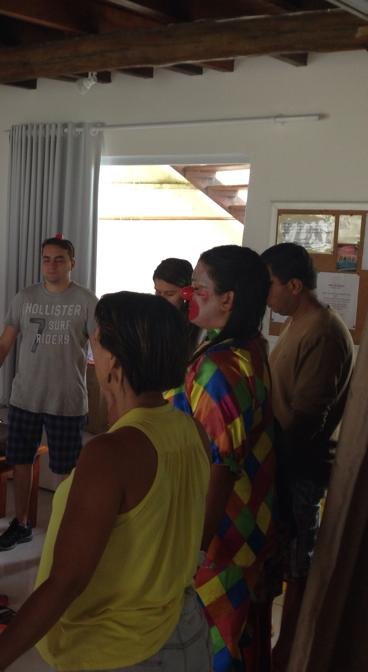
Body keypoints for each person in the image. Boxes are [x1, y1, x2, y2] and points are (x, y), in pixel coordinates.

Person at [0, 292, 211, 671]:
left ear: (115, 365)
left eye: (97, 343)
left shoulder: (111, 454)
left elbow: (67, 581)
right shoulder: (191, 431)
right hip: (185, 633)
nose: (91, 351)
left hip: (122, 652)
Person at [170, 245, 277, 672]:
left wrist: (193, 551)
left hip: (222, 536)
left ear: (227, 299)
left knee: (215, 645)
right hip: (246, 525)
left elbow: (221, 467)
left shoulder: (220, 369)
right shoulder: (245, 346)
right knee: (234, 636)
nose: (187, 296)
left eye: (198, 288)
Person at [260, 242, 353, 671]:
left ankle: (289, 650)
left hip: (297, 471)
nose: (266, 296)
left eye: (270, 285)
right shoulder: (299, 322)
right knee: (277, 564)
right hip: (281, 465)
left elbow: (306, 419)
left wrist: (272, 463)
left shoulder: (324, 331)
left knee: (297, 567)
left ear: (294, 286)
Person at [0, 237, 97, 552]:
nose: (51, 265)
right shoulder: (25, 298)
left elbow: (101, 348)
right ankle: (22, 523)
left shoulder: (86, 301)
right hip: (26, 397)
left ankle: (65, 529)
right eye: (46, 259)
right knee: (21, 461)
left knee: (66, 470)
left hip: (67, 400)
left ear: (72, 263)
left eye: (59, 259)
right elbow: (4, 344)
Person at [153, 257, 201, 355]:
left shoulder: (201, 326)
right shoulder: (150, 317)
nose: (161, 299)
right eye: (158, 292)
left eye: (169, 294)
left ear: (188, 293)